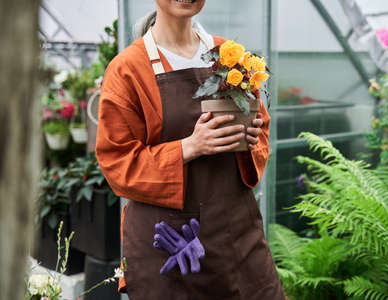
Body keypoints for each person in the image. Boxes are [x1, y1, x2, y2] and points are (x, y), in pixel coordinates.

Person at [95, 0, 285, 299]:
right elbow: (117, 162)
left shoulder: (230, 57)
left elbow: (261, 127)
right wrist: (188, 147)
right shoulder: (128, 69)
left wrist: (250, 135)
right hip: (170, 244)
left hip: (236, 233)